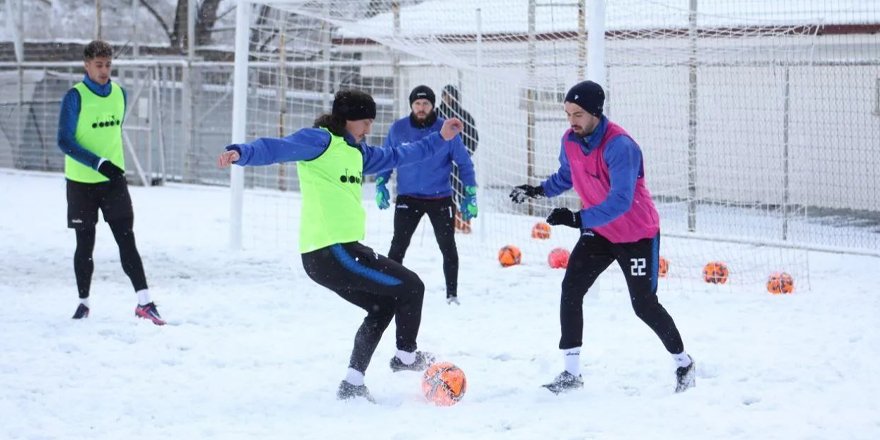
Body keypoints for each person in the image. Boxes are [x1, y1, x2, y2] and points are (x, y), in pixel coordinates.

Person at [217, 89, 464, 402]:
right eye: (365, 121)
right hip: (330, 251)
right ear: (348, 119)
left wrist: (440, 137)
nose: (368, 128)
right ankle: (405, 357)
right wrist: (242, 152)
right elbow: (278, 148)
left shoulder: (358, 152)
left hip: (340, 253)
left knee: (382, 305)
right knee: (412, 286)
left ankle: (353, 383)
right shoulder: (320, 142)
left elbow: (399, 155)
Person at [509, 80, 695, 394]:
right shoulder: (570, 140)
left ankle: (683, 362)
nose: (572, 121)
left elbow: (620, 202)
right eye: (568, 114)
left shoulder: (620, 146)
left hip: (637, 234)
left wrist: (576, 218)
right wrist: (537, 191)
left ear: (596, 112)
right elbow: (566, 176)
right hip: (600, 232)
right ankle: (571, 373)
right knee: (571, 289)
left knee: (644, 305)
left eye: (578, 114)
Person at [57, 40, 165, 325]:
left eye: (108, 65)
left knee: (127, 241)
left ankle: (145, 302)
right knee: (85, 244)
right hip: (81, 183)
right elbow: (64, 141)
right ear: (86, 65)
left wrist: (109, 167)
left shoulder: (120, 93)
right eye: (98, 65)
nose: (104, 71)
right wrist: (97, 163)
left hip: (113, 181)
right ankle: (83, 303)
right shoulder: (74, 97)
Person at [376, 85, 477, 306]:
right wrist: (381, 182)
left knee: (448, 246)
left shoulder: (446, 129)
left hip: (439, 198)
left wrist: (470, 194)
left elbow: (465, 164)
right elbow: (387, 157)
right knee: (398, 246)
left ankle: (452, 294)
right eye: (417, 104)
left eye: (426, 104)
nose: (421, 108)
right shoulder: (398, 129)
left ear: (433, 106)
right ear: (411, 105)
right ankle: (390, 291)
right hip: (407, 198)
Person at [436, 84, 479, 232]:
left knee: (462, 192)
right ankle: (448, 223)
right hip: (440, 164)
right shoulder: (436, 116)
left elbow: (473, 138)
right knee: (443, 194)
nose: (448, 99)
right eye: (445, 95)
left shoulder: (464, 116)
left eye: (451, 95)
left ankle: (465, 222)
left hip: (459, 164)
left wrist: (463, 155)